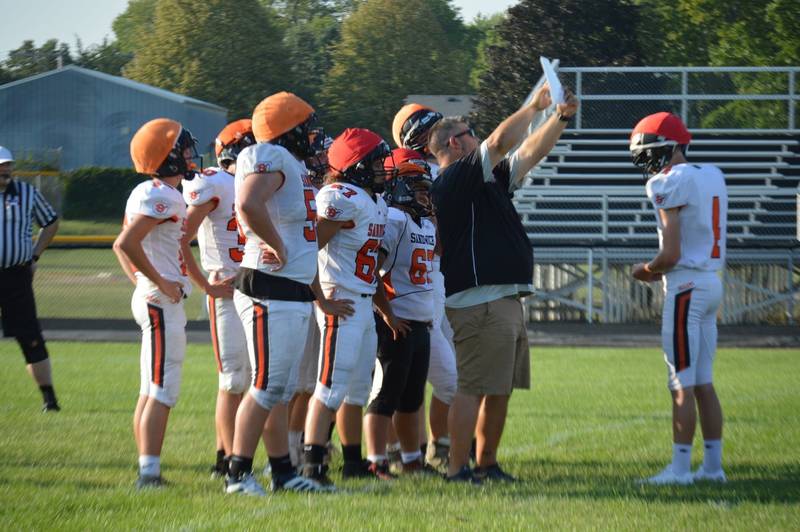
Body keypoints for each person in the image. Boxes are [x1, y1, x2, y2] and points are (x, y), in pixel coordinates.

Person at [427, 84, 578, 483]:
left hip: (503, 297)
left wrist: (559, 118)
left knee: (498, 389)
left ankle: (486, 463)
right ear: (454, 145)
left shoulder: (487, 180)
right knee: (473, 387)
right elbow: (499, 141)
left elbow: (530, 152)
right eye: (468, 130)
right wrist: (532, 106)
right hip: (480, 301)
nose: (476, 135)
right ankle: (458, 468)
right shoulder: (453, 180)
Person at [224, 92, 347, 495]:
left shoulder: (292, 165)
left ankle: (283, 474)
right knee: (266, 384)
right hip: (267, 286)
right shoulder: (270, 156)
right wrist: (274, 243)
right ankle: (237, 474)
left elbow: (305, 243)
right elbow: (247, 202)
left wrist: (316, 293)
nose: (313, 135)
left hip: (291, 288)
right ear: (288, 132)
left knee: (278, 388)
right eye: (306, 127)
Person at [114, 118, 222, 488]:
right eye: (184, 149)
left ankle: (148, 468)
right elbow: (126, 244)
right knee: (162, 389)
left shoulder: (155, 191)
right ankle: (149, 473)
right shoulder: (160, 193)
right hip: (160, 301)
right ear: (168, 156)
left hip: (156, 297)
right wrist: (156, 282)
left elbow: (123, 245)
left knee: (152, 389)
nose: (191, 155)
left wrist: (145, 282)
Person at [301, 128, 407, 487]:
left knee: (357, 390)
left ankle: (352, 462)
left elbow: (369, 265)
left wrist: (385, 310)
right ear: (356, 165)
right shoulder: (340, 195)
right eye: (376, 160)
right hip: (341, 301)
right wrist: (322, 299)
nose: (383, 168)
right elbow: (306, 250)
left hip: (362, 302)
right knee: (329, 388)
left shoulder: (372, 200)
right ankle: (312, 466)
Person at [629, 112, 728, 485]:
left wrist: (646, 270)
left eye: (646, 154)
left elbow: (669, 255)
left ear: (665, 148)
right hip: (711, 282)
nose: (645, 163)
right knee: (703, 380)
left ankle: (681, 470)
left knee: (681, 382)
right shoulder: (712, 174)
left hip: (686, 285)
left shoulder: (669, 181)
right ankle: (713, 468)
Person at [181, 119, 254, 477]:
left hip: (256, 288)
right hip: (226, 288)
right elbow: (181, 239)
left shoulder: (257, 183)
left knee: (256, 379)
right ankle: (224, 458)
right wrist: (204, 285)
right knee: (233, 379)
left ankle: (240, 455)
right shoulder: (216, 182)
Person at [364, 148, 436, 475]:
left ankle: (411, 461)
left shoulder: (422, 222)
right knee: (385, 395)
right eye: (419, 189)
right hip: (396, 320)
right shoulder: (394, 219)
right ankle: (376, 460)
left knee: (411, 398)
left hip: (419, 321)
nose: (425, 197)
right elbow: (371, 271)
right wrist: (388, 314)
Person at [392, 103, 456, 470]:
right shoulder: (399, 175)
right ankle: (391, 453)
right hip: (410, 289)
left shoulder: (439, 169)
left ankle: (431, 449)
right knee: (396, 381)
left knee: (418, 380)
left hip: (436, 280)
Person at [0, 145, 61, 412]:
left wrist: (35, 256)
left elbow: (50, 221)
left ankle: (49, 398)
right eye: (0, 165)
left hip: (16, 275)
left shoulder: (26, 193)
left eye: (7, 165)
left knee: (30, 336)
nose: (5, 170)